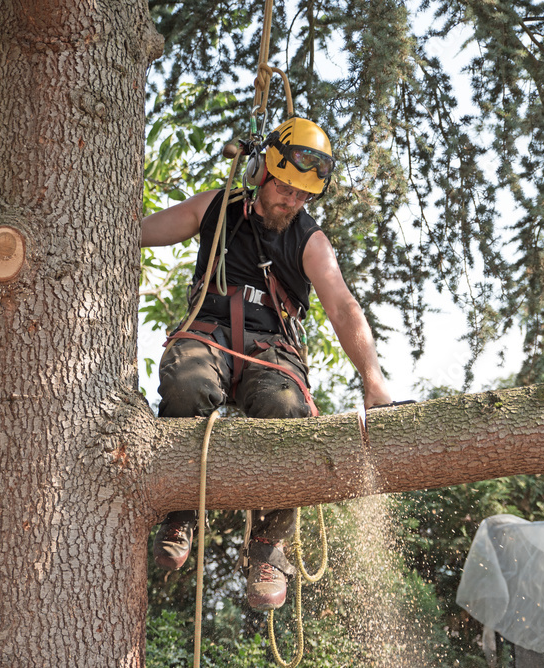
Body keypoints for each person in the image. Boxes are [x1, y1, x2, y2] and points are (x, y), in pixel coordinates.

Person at [140, 117, 392, 611]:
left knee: (286, 408)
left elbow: (343, 307)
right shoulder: (217, 208)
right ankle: (179, 512)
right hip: (206, 332)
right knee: (186, 384)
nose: (291, 200)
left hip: (271, 348)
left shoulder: (310, 240)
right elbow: (141, 233)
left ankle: (269, 545)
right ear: (260, 172)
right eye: (284, 188)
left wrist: (374, 381)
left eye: (303, 195)